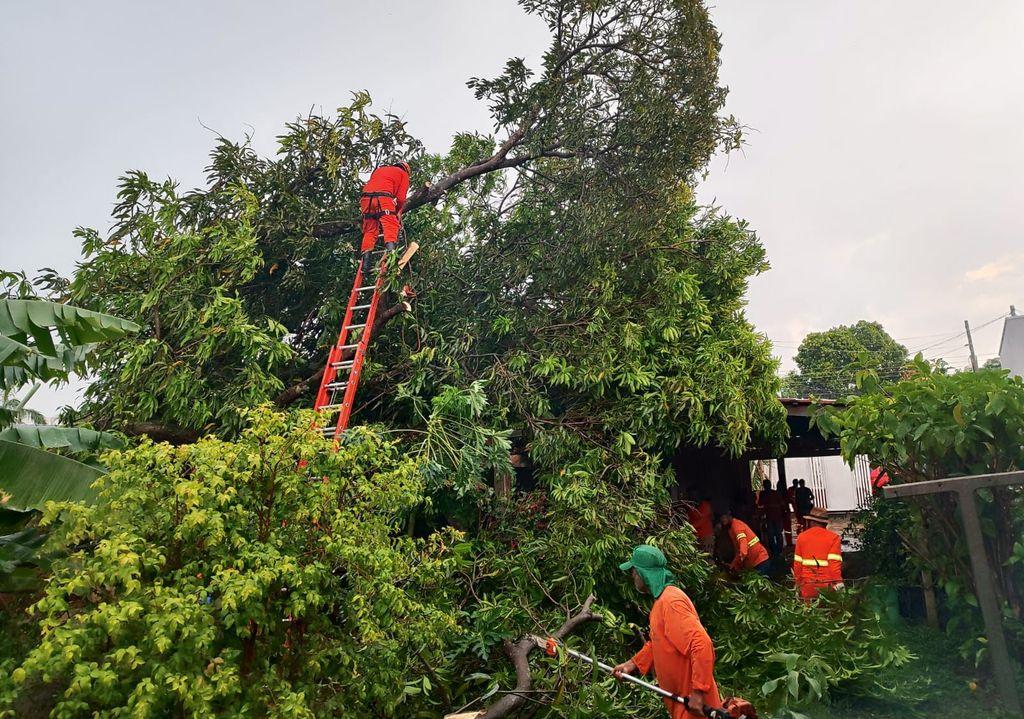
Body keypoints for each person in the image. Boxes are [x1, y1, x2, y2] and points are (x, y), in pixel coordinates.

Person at [612, 545, 723, 718]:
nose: (632, 575)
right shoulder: (661, 602)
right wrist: (631, 665)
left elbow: (701, 643)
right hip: (682, 705)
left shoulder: (671, 602)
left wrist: (698, 692)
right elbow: (659, 642)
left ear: (643, 573)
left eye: (634, 570)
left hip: (695, 707)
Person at [359, 161, 411, 272]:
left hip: (365, 199)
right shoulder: (403, 174)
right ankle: (391, 257)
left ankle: (365, 265)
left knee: (370, 230)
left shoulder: (380, 170)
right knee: (391, 225)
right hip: (383, 198)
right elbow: (401, 198)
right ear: (406, 170)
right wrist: (396, 212)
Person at [792, 517, 844, 600]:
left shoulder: (801, 537)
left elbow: (797, 565)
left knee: (808, 607)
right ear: (825, 524)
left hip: (806, 584)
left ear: (811, 522)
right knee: (827, 607)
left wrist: (798, 584)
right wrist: (839, 583)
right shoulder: (834, 538)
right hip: (826, 585)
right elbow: (834, 565)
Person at [760, 483, 786, 558]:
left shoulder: (764, 494)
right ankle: (777, 551)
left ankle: (775, 551)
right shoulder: (774, 493)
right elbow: (782, 504)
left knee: (772, 534)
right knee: (775, 534)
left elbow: (760, 503)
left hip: (772, 517)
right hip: (774, 516)